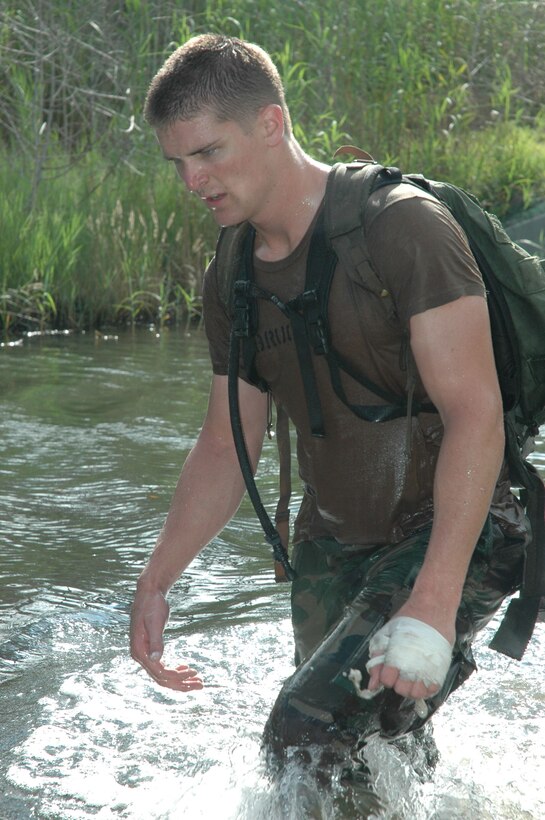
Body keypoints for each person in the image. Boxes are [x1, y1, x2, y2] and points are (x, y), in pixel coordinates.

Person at [130, 32, 529, 803]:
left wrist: (434, 600)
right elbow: (225, 443)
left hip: (459, 533)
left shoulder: (399, 227)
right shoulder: (232, 274)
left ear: (271, 124)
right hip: (332, 550)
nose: (192, 180)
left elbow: (475, 413)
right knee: (363, 763)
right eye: (177, 162)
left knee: (304, 730)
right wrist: (156, 580)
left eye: (208, 152)